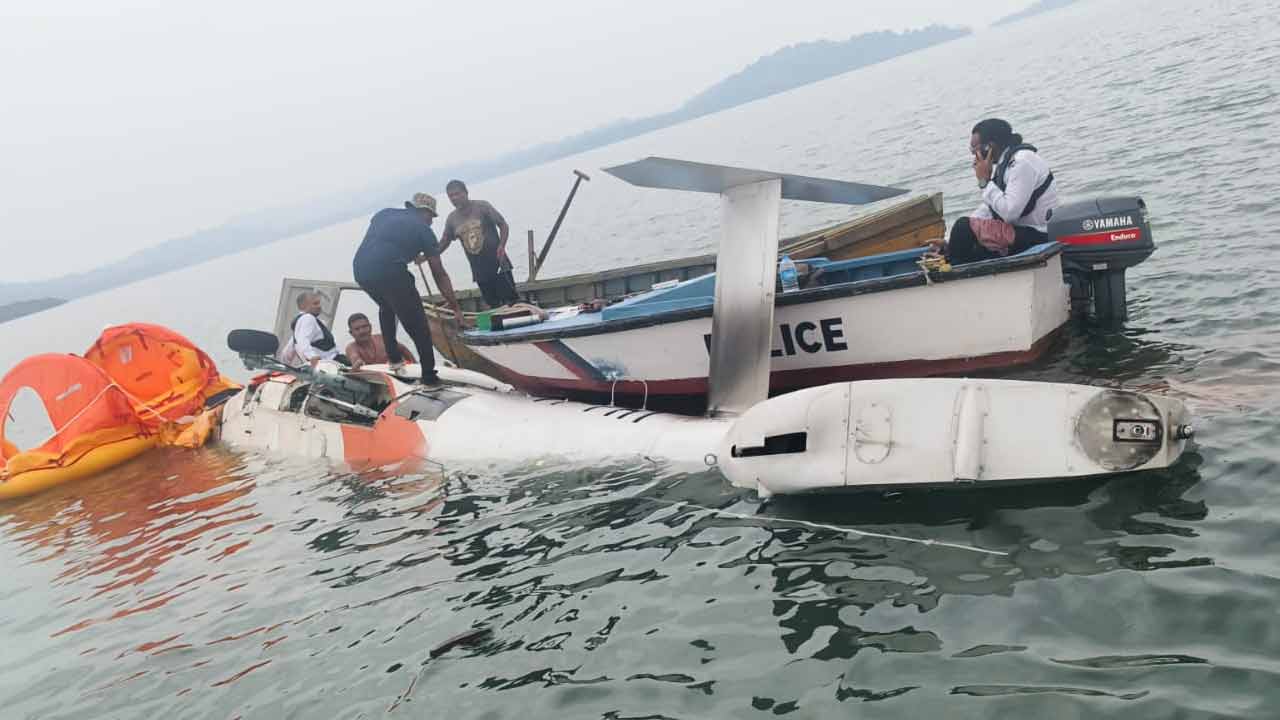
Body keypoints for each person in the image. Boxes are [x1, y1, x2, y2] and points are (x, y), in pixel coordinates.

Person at [352, 193, 465, 386]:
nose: (431, 223)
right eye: (431, 218)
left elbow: (384, 240)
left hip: (361, 270)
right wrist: (454, 306)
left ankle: (394, 359)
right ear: (424, 212)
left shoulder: (384, 213)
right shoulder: (423, 230)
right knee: (419, 325)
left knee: (386, 306)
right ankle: (429, 376)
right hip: (391, 271)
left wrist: (406, 250)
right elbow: (439, 273)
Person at [937, 118, 1060, 265]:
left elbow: (1009, 212)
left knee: (962, 226)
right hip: (1021, 233)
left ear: (990, 147)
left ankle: (952, 277)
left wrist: (984, 182)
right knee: (965, 236)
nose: (974, 157)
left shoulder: (1022, 163)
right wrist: (949, 242)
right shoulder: (1006, 164)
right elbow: (988, 210)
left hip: (1038, 234)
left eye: (975, 150)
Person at [440, 180, 520, 309]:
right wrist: (427, 255)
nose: (454, 198)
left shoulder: (482, 207)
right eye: (451, 196)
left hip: (498, 263)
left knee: (511, 302)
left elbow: (503, 225)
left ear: (466, 192)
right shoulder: (452, 219)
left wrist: (502, 246)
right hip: (479, 271)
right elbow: (444, 241)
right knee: (493, 306)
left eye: (457, 194)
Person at [280, 291, 346, 367]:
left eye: (319, 303)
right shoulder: (308, 318)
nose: (319, 306)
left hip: (325, 363)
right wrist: (312, 357)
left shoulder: (301, 322)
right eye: (315, 303)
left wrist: (284, 366)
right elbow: (303, 341)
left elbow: (290, 348)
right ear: (303, 306)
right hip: (330, 363)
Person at [344, 312, 415, 369]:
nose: (362, 331)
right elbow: (355, 360)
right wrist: (358, 363)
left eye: (365, 326)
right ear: (351, 333)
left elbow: (403, 349)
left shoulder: (382, 338)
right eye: (357, 329)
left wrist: (415, 365)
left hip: (396, 376)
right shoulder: (351, 347)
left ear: (370, 327)